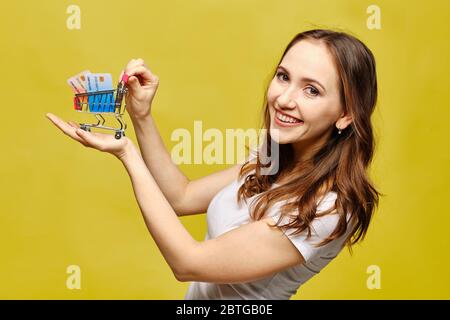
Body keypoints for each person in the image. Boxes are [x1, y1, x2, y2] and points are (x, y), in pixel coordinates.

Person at [47, 28, 380, 300]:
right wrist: (141, 114)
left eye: (312, 90)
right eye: (283, 76)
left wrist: (127, 154)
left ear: (346, 115)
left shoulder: (329, 206)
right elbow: (181, 196)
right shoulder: (274, 158)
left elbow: (188, 263)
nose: (284, 99)